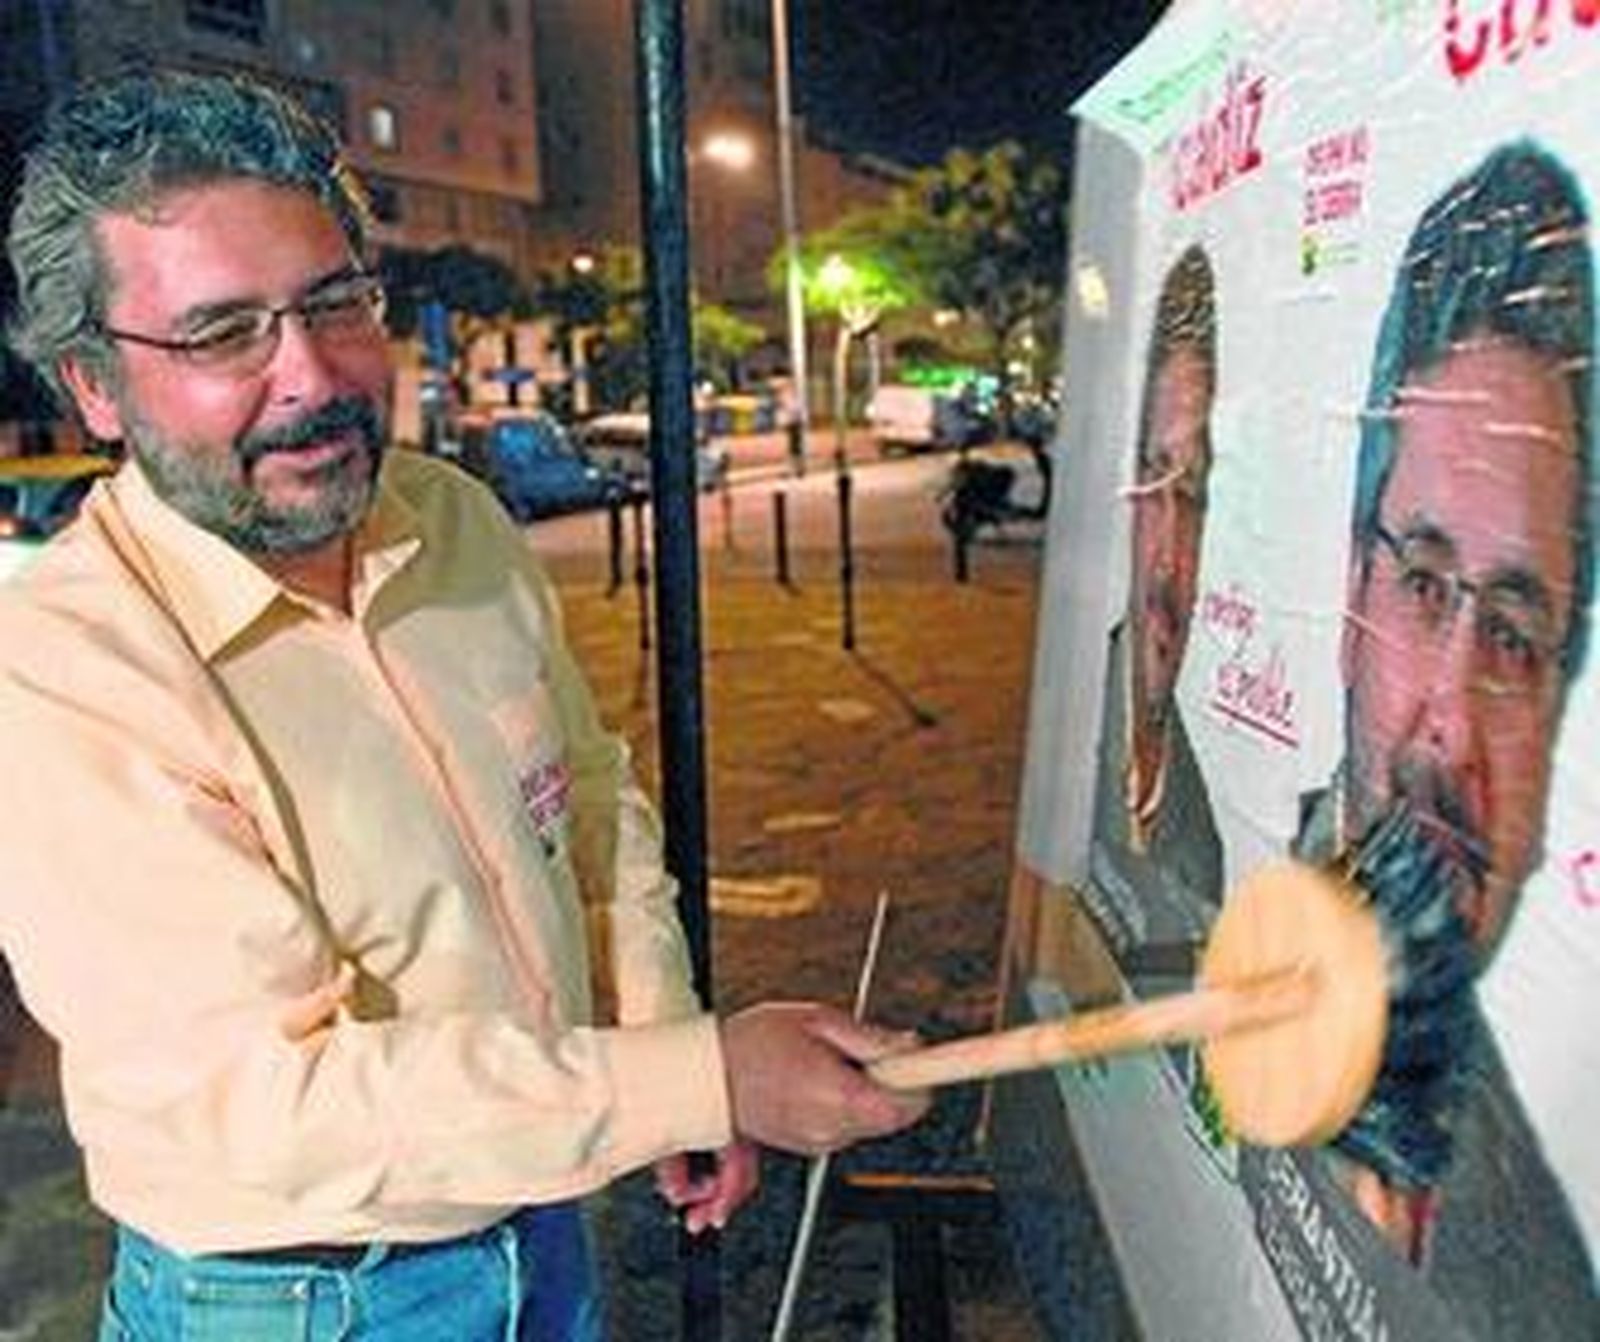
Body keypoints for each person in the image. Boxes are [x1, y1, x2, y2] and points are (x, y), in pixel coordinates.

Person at [0, 69, 927, 1340]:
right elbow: (274, 1102)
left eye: (336, 303)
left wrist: (663, 1034)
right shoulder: (62, 671)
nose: (312, 376)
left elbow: (586, 800)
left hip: (542, 1224)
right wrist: (697, 1077)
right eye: (224, 336)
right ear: (92, 385)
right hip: (297, 1296)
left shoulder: (453, 523)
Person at [1295, 140, 1597, 1336]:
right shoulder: (1200, 942)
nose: (1451, 723)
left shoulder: (1549, 1290)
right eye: (1423, 586)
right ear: (1349, 595)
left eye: (1516, 637)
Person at [1087, 245, 1224, 969]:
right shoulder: (1069, 723)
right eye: (1152, 480)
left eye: (1194, 495)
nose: (1170, 556)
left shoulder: (1202, 825)